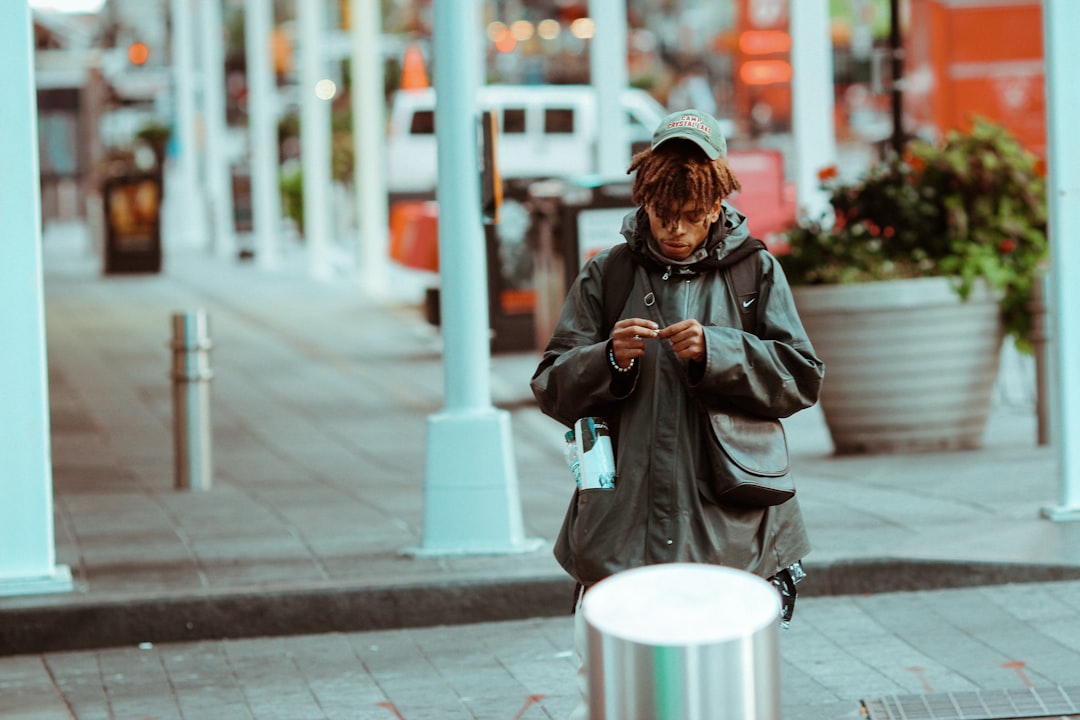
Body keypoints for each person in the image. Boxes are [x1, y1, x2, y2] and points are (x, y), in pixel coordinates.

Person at [530, 109, 825, 718]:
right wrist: (607, 358)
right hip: (621, 526)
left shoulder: (755, 271)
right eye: (665, 213)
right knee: (614, 687)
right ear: (646, 198)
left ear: (717, 203)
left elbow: (801, 377)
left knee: (721, 692)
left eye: (693, 216)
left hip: (731, 530)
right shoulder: (607, 274)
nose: (677, 230)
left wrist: (718, 350)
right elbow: (552, 388)